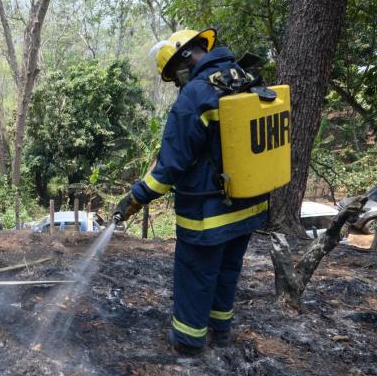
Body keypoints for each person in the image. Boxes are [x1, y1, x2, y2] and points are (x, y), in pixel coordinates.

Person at [113, 29, 268, 356]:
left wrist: (136, 197)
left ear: (186, 57)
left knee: (196, 276)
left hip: (208, 212)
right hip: (249, 205)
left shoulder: (196, 94)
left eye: (174, 75)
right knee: (227, 272)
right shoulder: (243, 77)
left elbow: (170, 168)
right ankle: (221, 333)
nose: (176, 82)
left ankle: (187, 342)